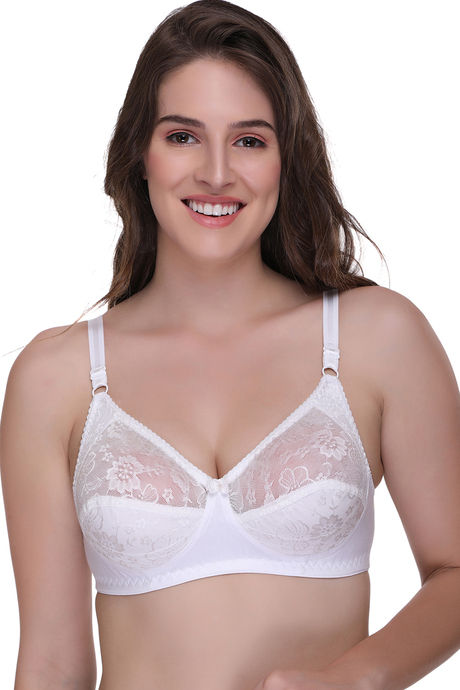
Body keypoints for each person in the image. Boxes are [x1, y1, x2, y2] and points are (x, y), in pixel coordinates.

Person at [1, 1, 459, 688]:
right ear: (140, 154)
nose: (216, 174)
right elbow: (51, 661)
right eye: (184, 136)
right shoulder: (55, 377)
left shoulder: (377, 338)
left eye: (249, 141)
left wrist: (357, 678)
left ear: (286, 159)